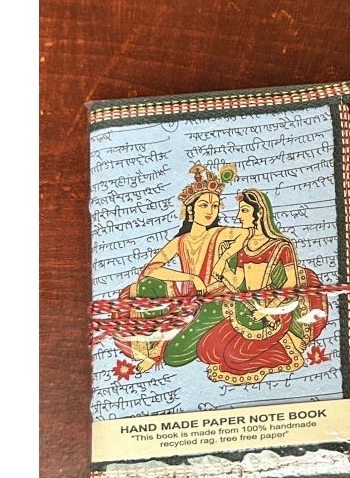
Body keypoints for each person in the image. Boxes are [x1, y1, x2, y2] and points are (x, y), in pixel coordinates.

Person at [193, 188, 329, 385]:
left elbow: (291, 285)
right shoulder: (243, 247)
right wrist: (223, 268)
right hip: (248, 309)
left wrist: (266, 311)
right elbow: (238, 284)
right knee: (208, 349)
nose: (238, 216)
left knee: (232, 356)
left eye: (244, 210)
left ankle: (284, 351)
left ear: (260, 213)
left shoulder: (281, 246)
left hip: (276, 311)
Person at [114, 162, 240, 372]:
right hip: (190, 290)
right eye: (204, 205)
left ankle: (158, 352)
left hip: (213, 294)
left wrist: (224, 257)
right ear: (190, 209)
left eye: (215, 206)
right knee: (145, 286)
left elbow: (249, 234)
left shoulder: (219, 233)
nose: (210, 211)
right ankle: (147, 342)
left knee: (176, 351)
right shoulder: (180, 241)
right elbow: (151, 269)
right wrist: (191, 278)